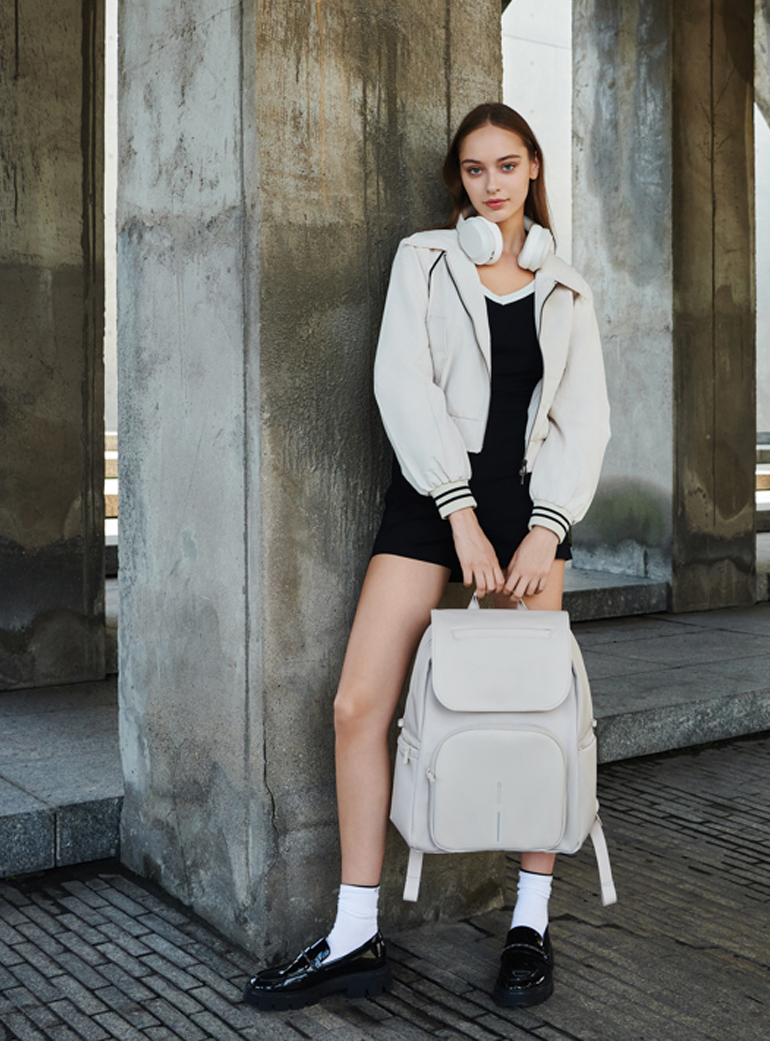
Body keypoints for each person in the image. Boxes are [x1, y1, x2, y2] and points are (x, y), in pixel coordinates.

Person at [243, 103, 610, 1012]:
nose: (493, 182)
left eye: (508, 164)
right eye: (475, 169)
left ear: (532, 169)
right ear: (460, 181)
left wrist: (546, 526)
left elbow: (583, 419)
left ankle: (530, 922)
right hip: (431, 499)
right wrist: (459, 513)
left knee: (538, 715)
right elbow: (400, 384)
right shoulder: (427, 260)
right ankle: (354, 934)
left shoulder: (567, 289)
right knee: (357, 704)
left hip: (530, 514)